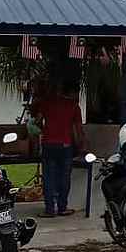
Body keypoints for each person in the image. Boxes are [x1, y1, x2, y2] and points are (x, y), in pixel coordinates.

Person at [32, 83, 86, 217]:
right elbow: (79, 130)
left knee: (48, 177)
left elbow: (37, 120)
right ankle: (62, 207)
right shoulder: (73, 106)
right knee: (64, 177)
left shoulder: (46, 103)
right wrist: (82, 147)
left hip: (48, 145)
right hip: (65, 145)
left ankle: (49, 209)